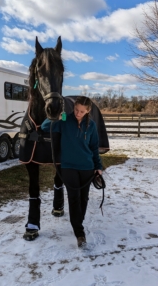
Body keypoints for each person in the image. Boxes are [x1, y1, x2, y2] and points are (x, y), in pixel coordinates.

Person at [41, 96, 103, 247]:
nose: (78, 113)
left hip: (87, 167)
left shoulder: (92, 126)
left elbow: (94, 148)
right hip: (68, 167)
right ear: (73, 107)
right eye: (76, 110)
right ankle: (79, 232)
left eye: (82, 111)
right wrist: (56, 117)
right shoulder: (64, 120)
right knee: (74, 198)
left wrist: (98, 166)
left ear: (88, 111)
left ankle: (77, 222)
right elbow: (45, 126)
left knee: (84, 199)